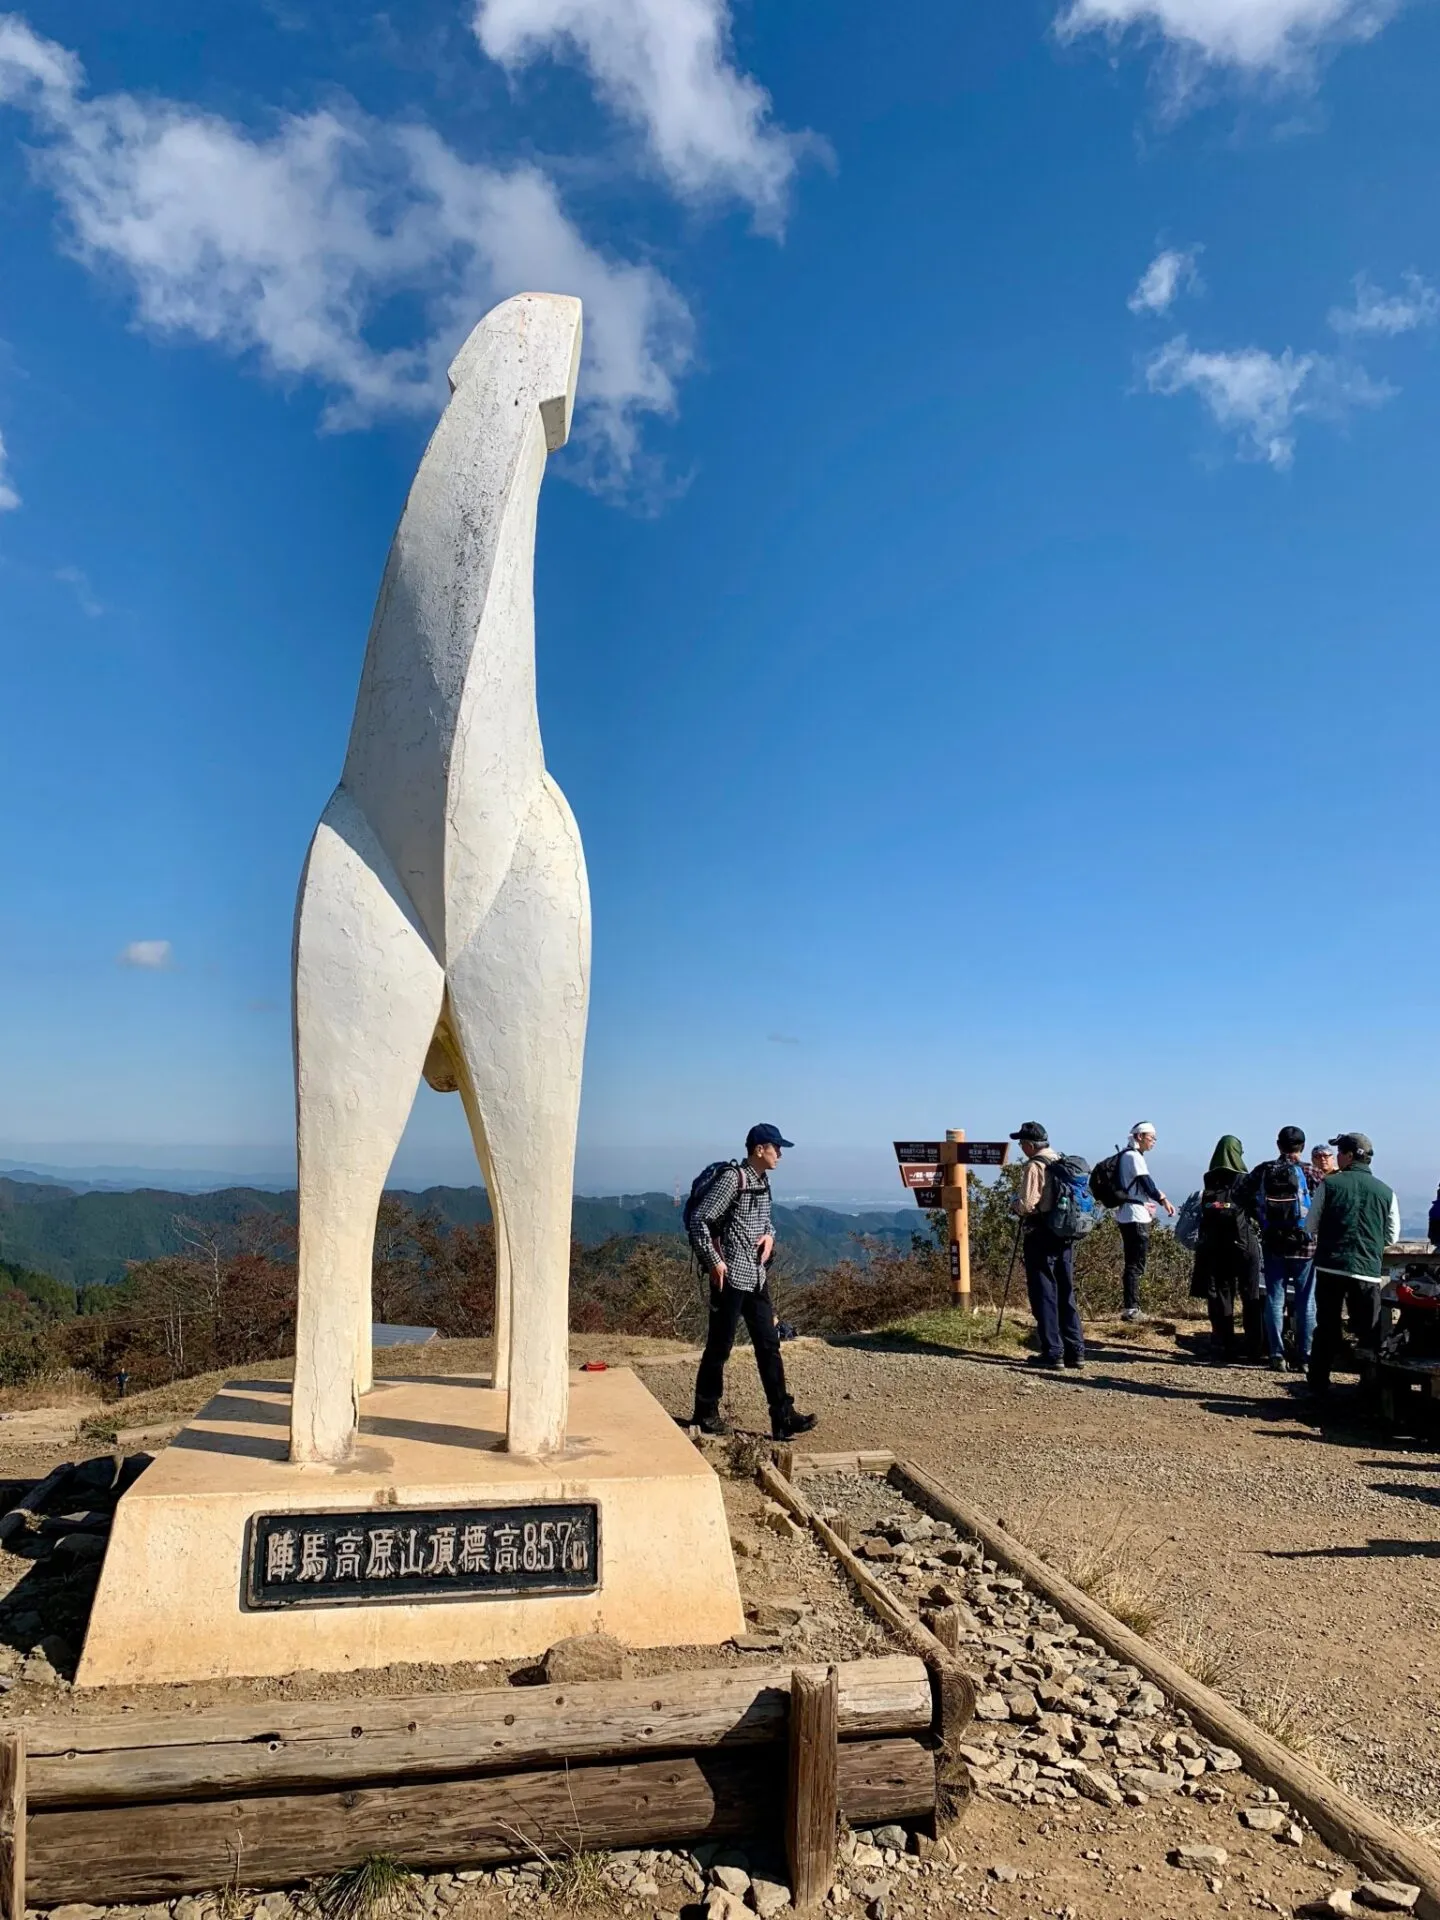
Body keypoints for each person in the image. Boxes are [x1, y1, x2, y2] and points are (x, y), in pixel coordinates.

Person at [688, 1125, 818, 1441]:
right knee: (720, 1346)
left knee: (769, 1345)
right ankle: (706, 1413)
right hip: (729, 1275)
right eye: (776, 1147)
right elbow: (699, 1220)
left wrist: (770, 1236)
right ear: (760, 1149)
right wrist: (714, 1262)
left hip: (756, 1275)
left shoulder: (761, 1180)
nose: (781, 1154)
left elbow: (764, 1220)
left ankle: (783, 1415)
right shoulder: (734, 1179)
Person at [1306, 1133, 1402, 1396]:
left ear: (1349, 1156)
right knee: (1368, 1331)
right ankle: (1370, 1387)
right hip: (1367, 1270)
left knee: (1326, 1326)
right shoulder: (1386, 1191)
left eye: (1339, 1152)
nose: (1336, 1157)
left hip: (1330, 1266)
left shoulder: (1331, 1185)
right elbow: (1391, 1236)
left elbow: (1310, 1225)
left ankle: (1318, 1383)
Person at [1239, 1126, 1316, 1373]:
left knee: (1275, 1298)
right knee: (1306, 1300)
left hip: (1273, 1241)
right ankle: (1305, 1357)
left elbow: (1240, 1195)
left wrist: (1261, 1220)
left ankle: (1276, 1354)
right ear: (1302, 1146)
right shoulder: (1311, 1172)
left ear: (1278, 1144)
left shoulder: (1264, 1170)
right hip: (1306, 1245)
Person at [1010, 1122, 1085, 1371]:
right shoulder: (1061, 1161)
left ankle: (1053, 1352)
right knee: (1066, 1290)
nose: (1021, 1147)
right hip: (1065, 1234)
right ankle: (1076, 1350)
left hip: (1042, 1234)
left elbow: (1027, 1204)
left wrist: (1014, 1204)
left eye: (1022, 1144)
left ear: (1031, 1145)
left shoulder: (1035, 1166)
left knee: (1044, 1292)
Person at [1189, 1136, 1263, 1364]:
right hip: (1243, 1244)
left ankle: (1223, 1344)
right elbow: (1257, 1210)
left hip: (1216, 1246)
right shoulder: (1245, 1179)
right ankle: (1253, 1347)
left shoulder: (1209, 1178)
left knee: (1221, 1294)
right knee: (1251, 1295)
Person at [1116, 1123, 1176, 1322]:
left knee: (1132, 1262)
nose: (1154, 1141)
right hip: (1135, 1215)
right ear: (1140, 1136)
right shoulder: (1133, 1157)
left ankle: (1130, 1307)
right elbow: (1147, 1183)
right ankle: (1132, 1309)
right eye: (1152, 1137)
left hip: (1127, 1213)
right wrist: (1163, 1200)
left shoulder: (1126, 1155)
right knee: (1135, 1263)